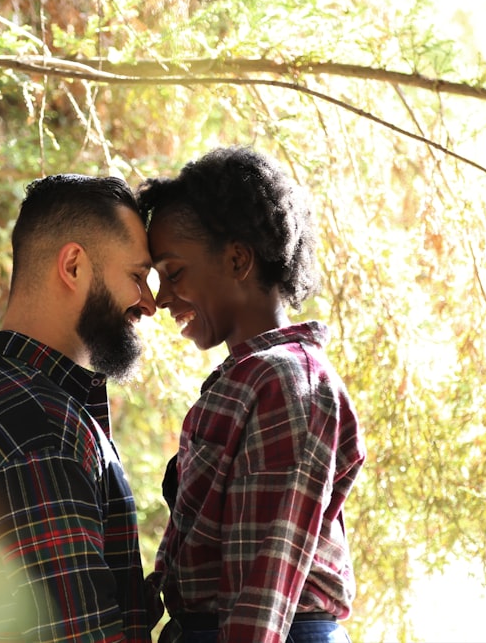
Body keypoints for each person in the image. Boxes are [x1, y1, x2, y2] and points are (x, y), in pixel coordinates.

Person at [0, 174, 159, 642]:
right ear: (74, 266)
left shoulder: (15, 399)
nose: (149, 303)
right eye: (137, 277)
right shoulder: (37, 428)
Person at [138, 147, 366, 643]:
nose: (159, 299)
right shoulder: (251, 378)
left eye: (173, 273)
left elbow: (267, 580)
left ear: (238, 259)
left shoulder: (288, 382)